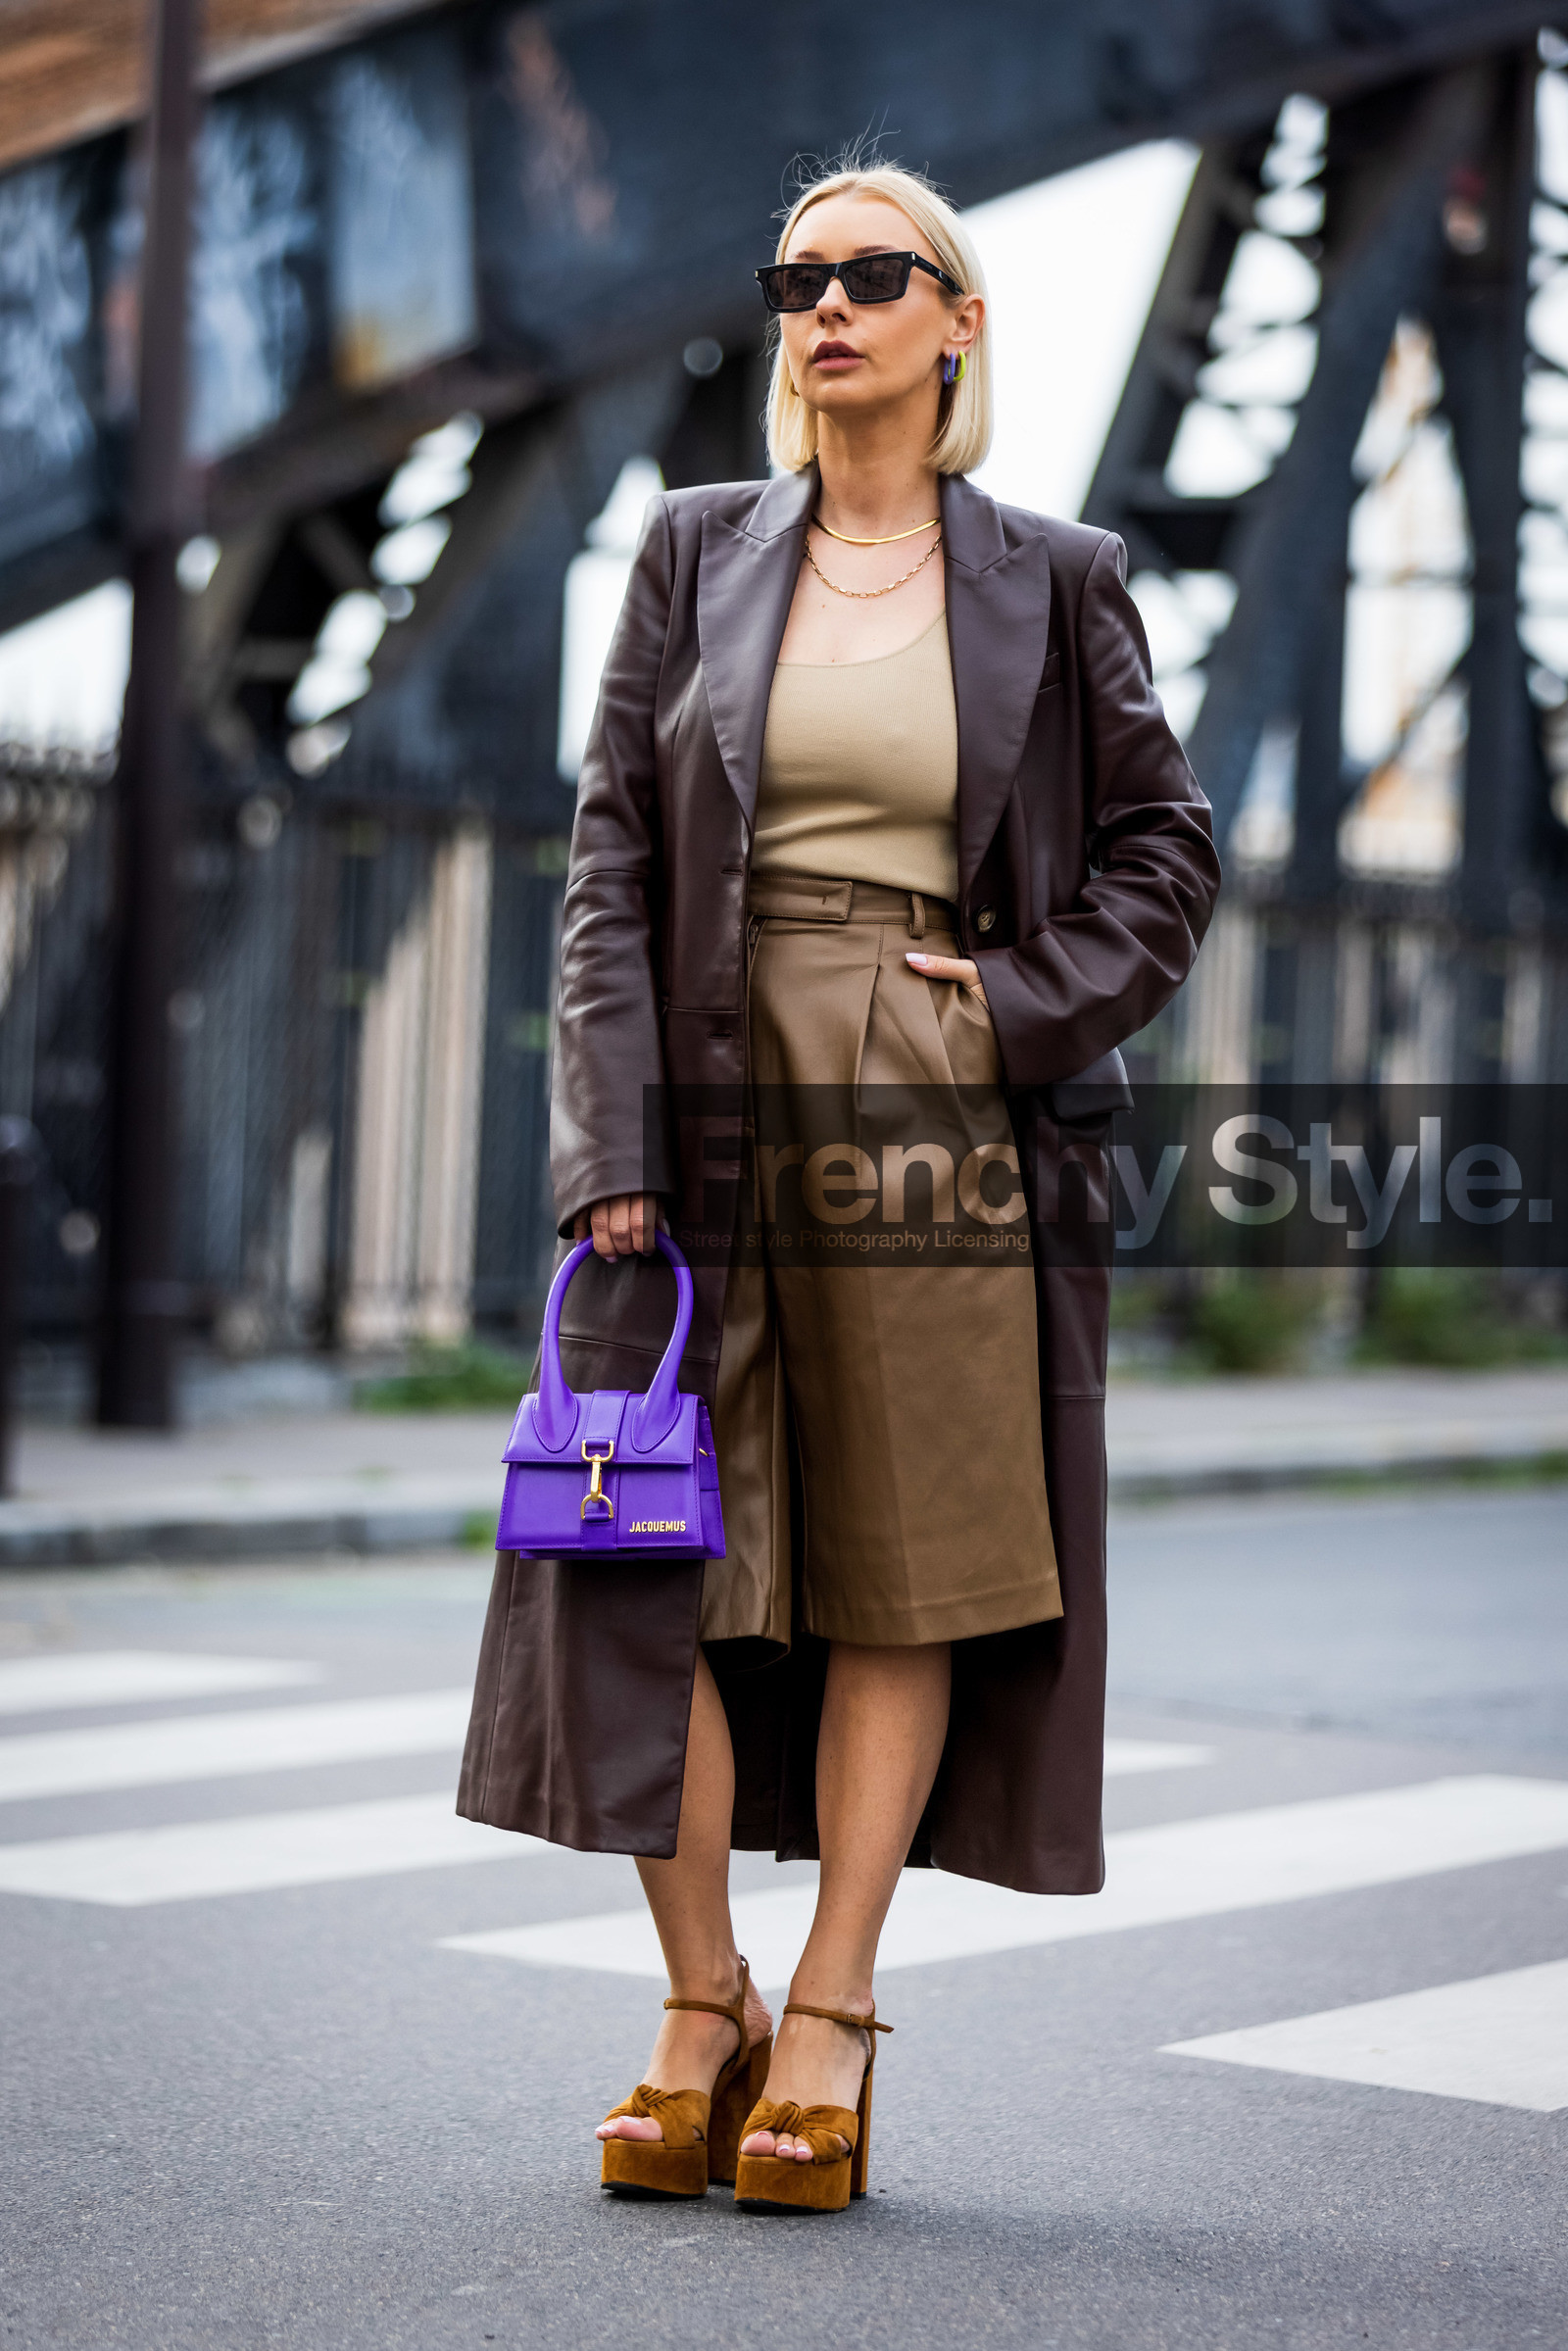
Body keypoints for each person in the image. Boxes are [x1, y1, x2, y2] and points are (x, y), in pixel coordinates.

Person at [459, 157, 1220, 2216]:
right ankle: (692, 2001)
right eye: (794, 276)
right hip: (695, 1101)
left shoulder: (1055, 579)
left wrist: (1012, 1005)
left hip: (930, 1109)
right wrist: (605, 1141)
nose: (823, 306)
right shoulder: (693, 548)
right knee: (648, 1554)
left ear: (954, 319)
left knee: (899, 1564)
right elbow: (609, 855)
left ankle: (829, 2011)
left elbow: (1164, 852)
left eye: (870, 274)